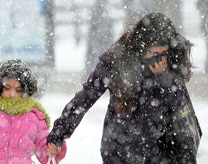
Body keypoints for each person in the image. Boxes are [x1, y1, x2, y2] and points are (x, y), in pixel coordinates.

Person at [47, 13, 202, 163]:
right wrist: (58, 134)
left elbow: (181, 115)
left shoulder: (171, 64)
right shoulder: (116, 61)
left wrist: (164, 78)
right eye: (154, 53)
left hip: (162, 150)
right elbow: (86, 97)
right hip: (121, 147)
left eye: (164, 53)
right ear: (141, 48)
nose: (160, 59)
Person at [0, 59, 66, 164]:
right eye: (7, 88)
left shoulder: (34, 117)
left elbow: (45, 155)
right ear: (0, 87)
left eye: (18, 90)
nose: (12, 94)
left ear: (26, 91)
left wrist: (54, 150)